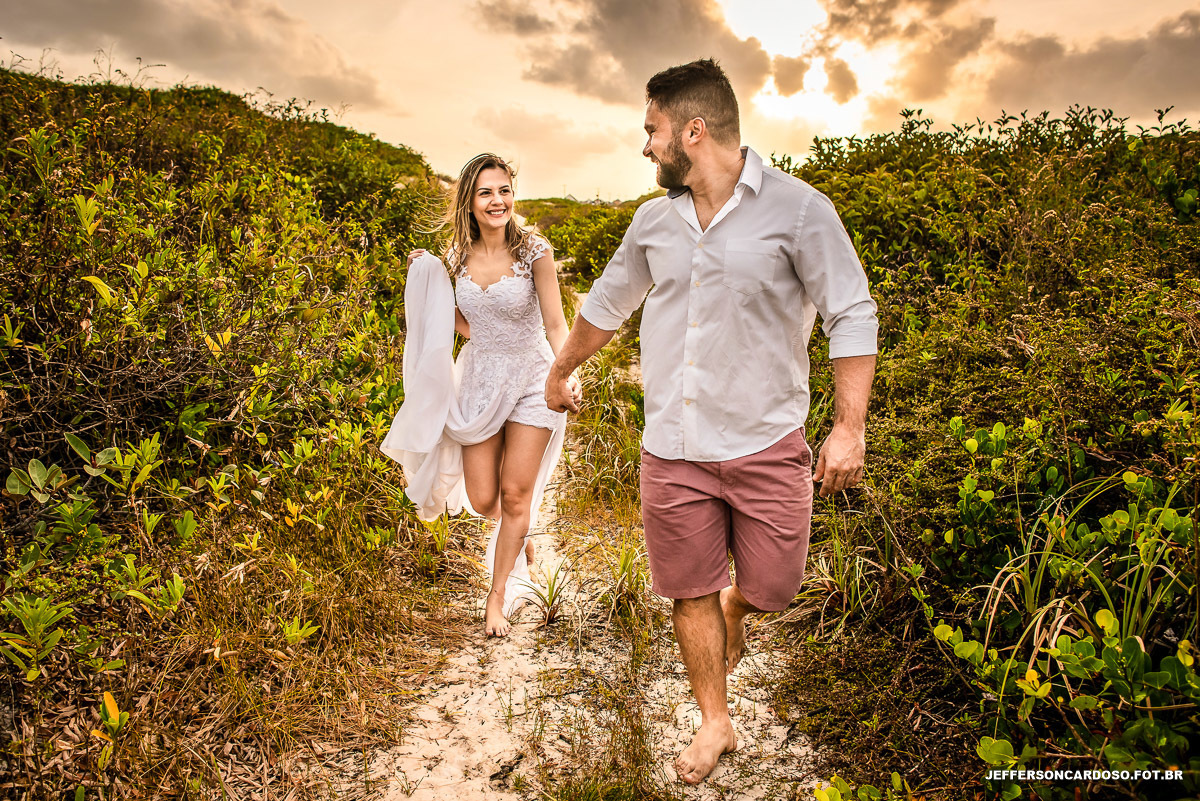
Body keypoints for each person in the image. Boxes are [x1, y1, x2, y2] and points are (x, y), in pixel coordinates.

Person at [545, 59, 878, 784]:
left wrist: (849, 427)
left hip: (766, 444)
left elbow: (852, 312)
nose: (645, 145)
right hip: (672, 447)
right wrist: (560, 369)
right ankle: (714, 719)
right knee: (686, 590)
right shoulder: (652, 221)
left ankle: (740, 605)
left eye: (652, 129)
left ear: (692, 131)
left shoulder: (799, 210)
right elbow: (606, 305)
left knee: (773, 587)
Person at [381, 153, 580, 637]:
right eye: (486, 192)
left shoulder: (535, 250)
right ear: (470, 201)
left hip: (535, 377)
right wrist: (427, 278)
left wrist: (567, 372)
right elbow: (466, 322)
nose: (498, 201)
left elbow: (556, 324)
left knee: (515, 494)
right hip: (480, 380)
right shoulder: (454, 258)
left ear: (514, 194)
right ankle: (521, 534)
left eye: (505, 190)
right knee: (482, 495)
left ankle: (497, 596)